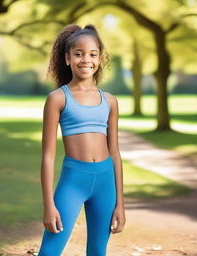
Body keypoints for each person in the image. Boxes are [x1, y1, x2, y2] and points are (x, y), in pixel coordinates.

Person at [37, 23, 126, 256]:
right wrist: (48, 205)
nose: (86, 60)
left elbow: (115, 153)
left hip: (106, 182)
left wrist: (120, 204)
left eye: (92, 54)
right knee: (49, 251)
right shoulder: (57, 98)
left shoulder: (110, 101)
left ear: (100, 59)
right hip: (73, 181)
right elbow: (47, 156)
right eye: (78, 54)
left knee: (98, 251)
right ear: (67, 58)